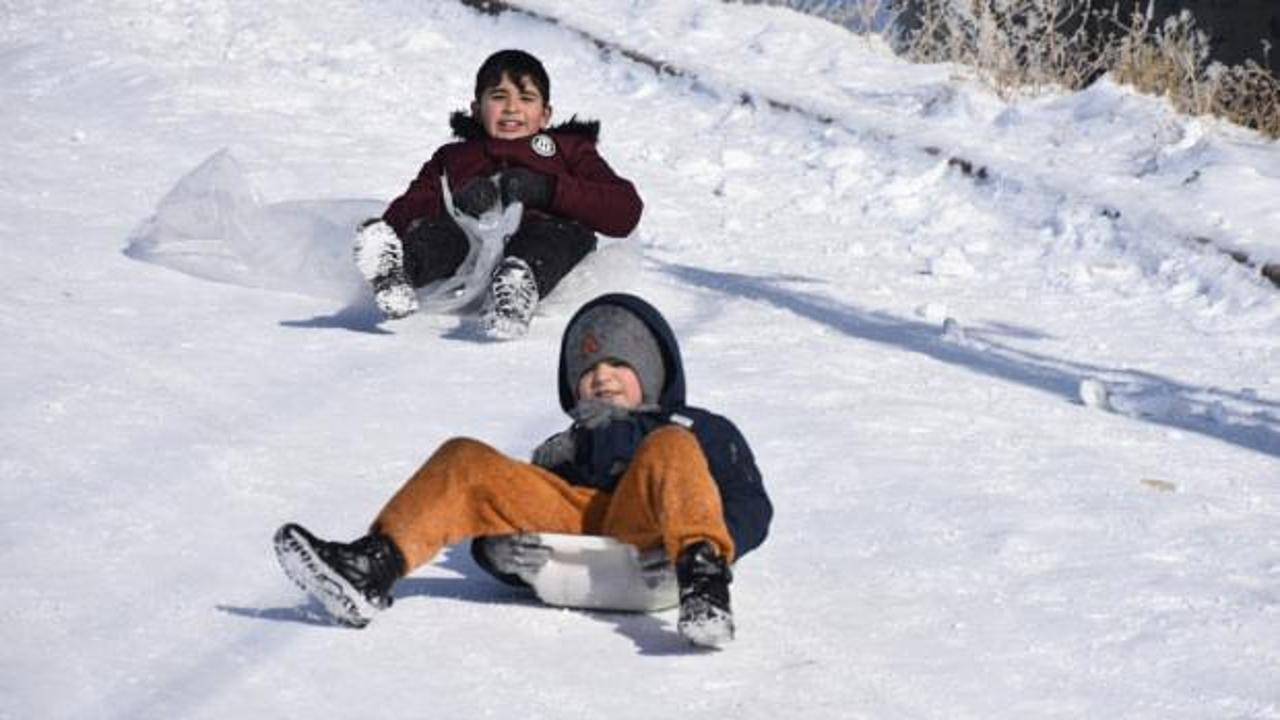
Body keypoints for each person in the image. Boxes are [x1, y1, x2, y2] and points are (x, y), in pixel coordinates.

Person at [274, 293, 772, 647]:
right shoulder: (565, 448)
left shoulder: (697, 427)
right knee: (465, 458)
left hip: (661, 546)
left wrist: (707, 545)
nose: (601, 379)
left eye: (619, 366)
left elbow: (751, 504)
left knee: (670, 446)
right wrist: (498, 556)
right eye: (588, 374)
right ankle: (372, 567)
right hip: (587, 537)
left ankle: (706, 588)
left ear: (654, 372)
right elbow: (507, 512)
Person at [354, 49, 643, 339]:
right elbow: (410, 205)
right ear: (477, 109)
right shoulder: (454, 157)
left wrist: (548, 189)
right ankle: (397, 274)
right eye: (498, 97)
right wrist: (455, 203)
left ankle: (517, 287)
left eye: (526, 99)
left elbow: (624, 208)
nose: (511, 108)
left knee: (554, 237)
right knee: (441, 235)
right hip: (469, 251)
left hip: (547, 241)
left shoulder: (568, 150)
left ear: (545, 114)